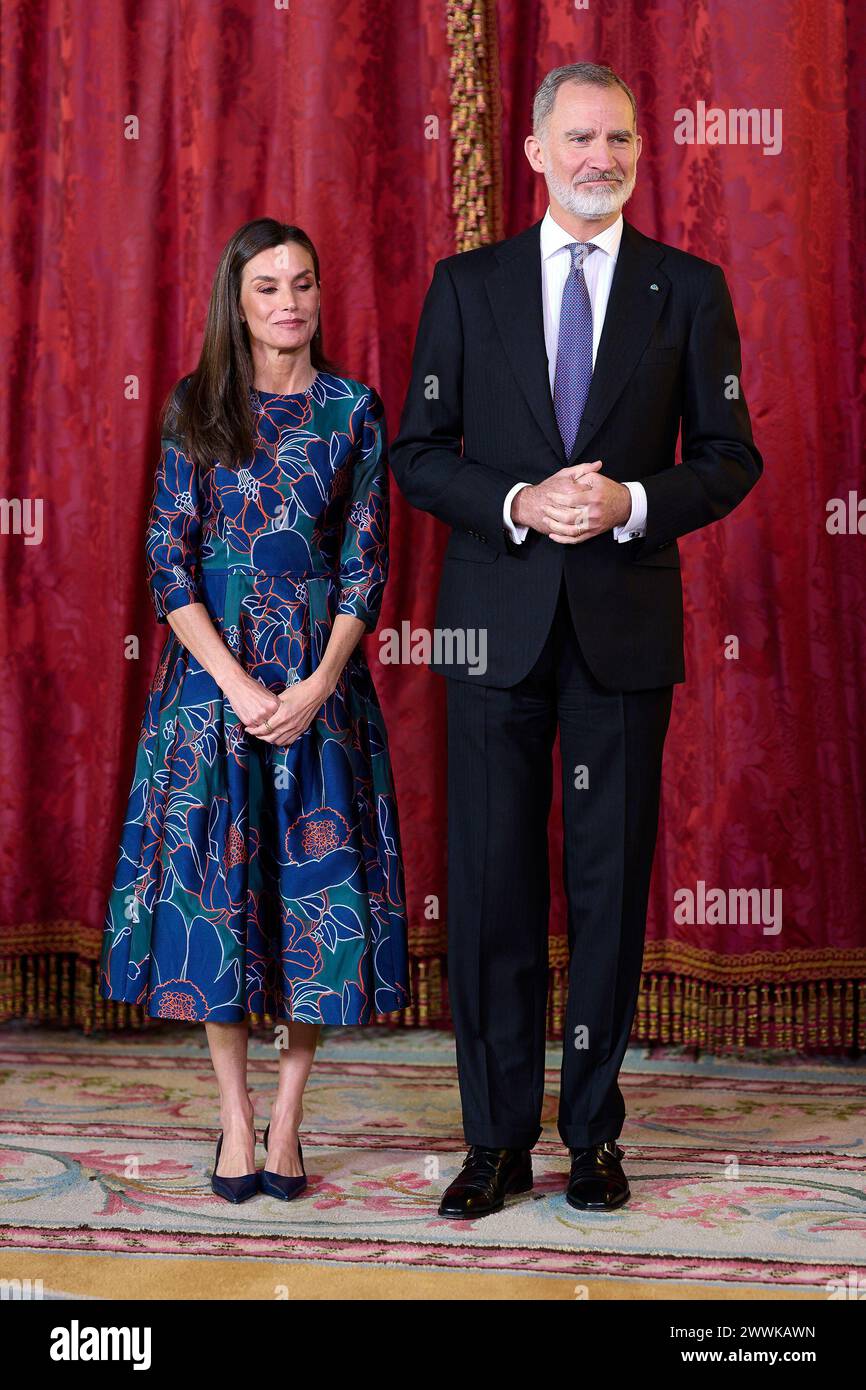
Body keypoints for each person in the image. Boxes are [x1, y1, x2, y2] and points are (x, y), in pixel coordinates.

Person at [390, 63, 762, 1217]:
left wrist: (628, 503)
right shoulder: (466, 285)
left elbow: (727, 455)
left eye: (618, 136)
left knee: (606, 891)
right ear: (536, 153)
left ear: (639, 151)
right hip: (490, 632)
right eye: (577, 136)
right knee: (492, 891)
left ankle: (592, 1135)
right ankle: (494, 1140)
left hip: (621, 629)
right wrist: (516, 501)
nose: (599, 155)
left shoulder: (688, 289)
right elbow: (419, 453)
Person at [100, 218, 410, 1203]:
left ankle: (287, 1117)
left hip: (319, 686)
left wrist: (317, 685)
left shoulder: (354, 409)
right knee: (218, 905)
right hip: (211, 689)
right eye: (268, 286)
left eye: (304, 283)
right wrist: (234, 684)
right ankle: (233, 1117)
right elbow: (168, 561)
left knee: (315, 907)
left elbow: (367, 563)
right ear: (238, 302)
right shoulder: (199, 406)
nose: (289, 301)